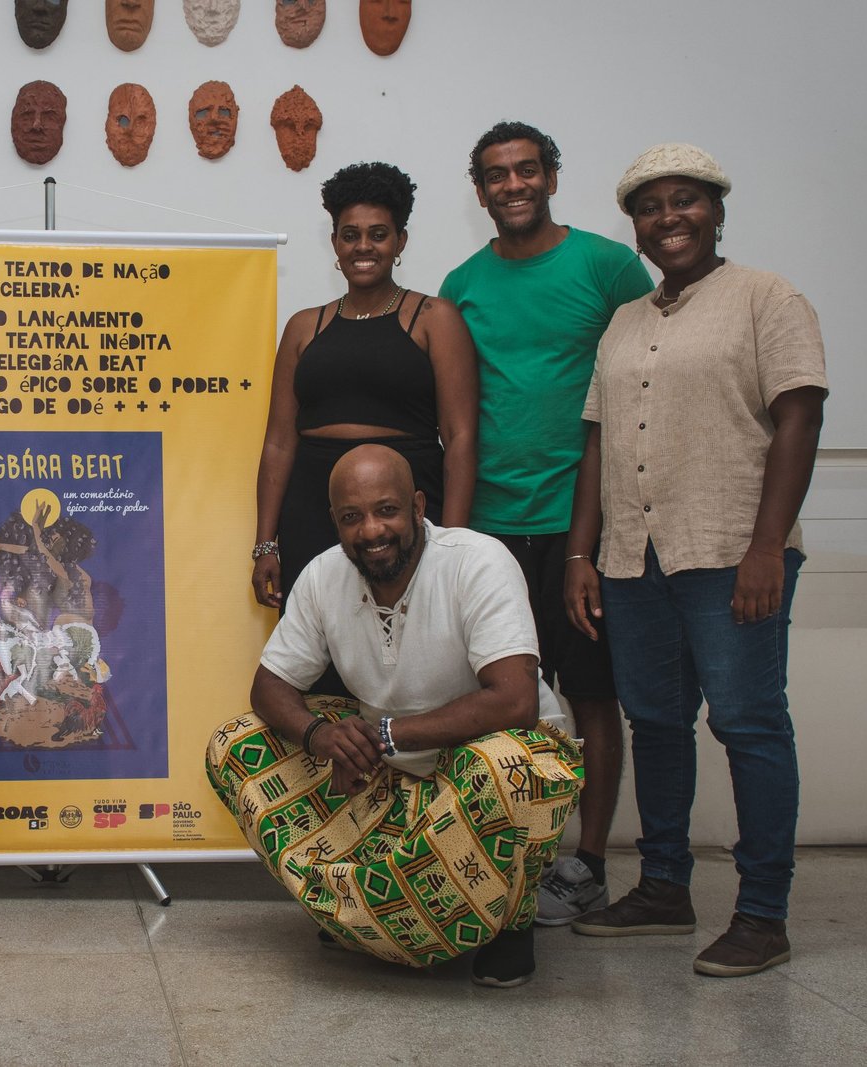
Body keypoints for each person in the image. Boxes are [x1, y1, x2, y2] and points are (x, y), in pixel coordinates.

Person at [564, 144, 827, 978]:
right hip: (634, 560)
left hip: (727, 552)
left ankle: (762, 914)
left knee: (749, 725)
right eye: (650, 206)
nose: (667, 217)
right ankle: (665, 886)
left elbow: (799, 419)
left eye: (684, 201)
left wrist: (765, 548)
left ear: (715, 209)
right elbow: (597, 442)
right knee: (659, 725)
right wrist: (582, 552)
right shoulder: (626, 321)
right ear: (636, 226)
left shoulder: (766, 298)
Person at [210, 445, 581, 987]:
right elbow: (269, 688)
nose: (371, 531)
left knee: (502, 768)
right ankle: (362, 909)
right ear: (334, 520)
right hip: (394, 773)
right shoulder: (322, 576)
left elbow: (513, 700)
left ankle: (508, 921)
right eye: (351, 517)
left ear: (417, 506)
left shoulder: (477, 561)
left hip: (492, 762)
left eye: (387, 510)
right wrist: (322, 737)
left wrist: (385, 734)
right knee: (236, 744)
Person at [440, 121, 654, 925]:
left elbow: (646, 384)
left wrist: (592, 538)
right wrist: (453, 542)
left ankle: (587, 862)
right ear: (481, 190)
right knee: (491, 698)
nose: (513, 185)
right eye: (496, 176)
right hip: (489, 533)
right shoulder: (461, 284)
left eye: (527, 170)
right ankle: (499, 854)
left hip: (583, 531)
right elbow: (453, 418)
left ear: (552, 177)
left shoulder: (606, 267)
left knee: (593, 696)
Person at [252, 162, 477, 695]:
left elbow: (462, 437)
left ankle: (413, 763)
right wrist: (265, 544)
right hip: (313, 507)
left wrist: (456, 543)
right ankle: (335, 770)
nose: (364, 247)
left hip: (404, 504)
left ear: (400, 240)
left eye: (379, 234)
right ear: (333, 243)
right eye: (350, 235)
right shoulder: (306, 326)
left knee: (416, 651)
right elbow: (279, 441)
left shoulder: (434, 318)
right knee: (321, 653)